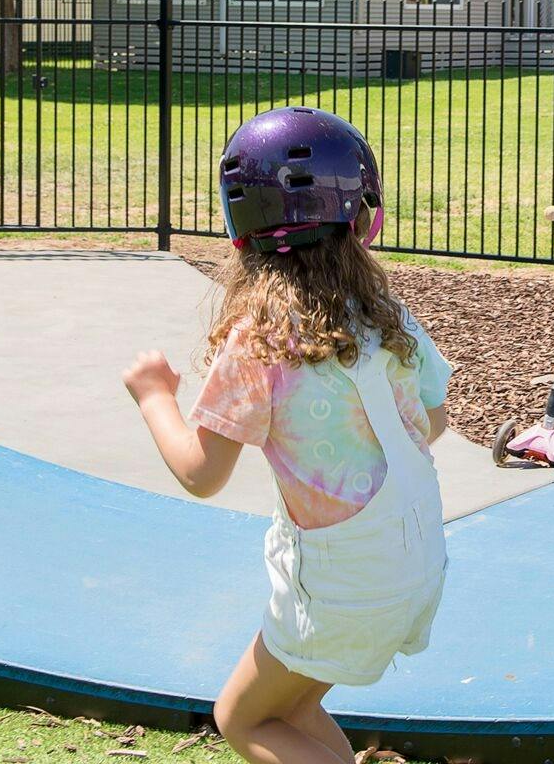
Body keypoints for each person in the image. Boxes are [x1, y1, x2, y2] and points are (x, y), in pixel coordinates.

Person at [123, 107, 451, 764]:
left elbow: (200, 474)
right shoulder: (385, 318)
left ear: (240, 230)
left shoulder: (260, 342)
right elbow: (434, 418)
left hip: (343, 582)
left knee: (241, 718)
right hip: (416, 563)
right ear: (362, 215)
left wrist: (155, 397)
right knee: (292, 708)